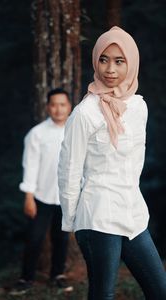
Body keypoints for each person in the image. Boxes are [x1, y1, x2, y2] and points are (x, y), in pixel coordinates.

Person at [58, 26, 166, 300]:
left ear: (131, 63)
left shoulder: (139, 106)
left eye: (119, 61)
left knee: (159, 290)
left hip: (133, 215)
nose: (110, 69)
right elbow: (69, 170)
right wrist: (72, 221)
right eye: (103, 59)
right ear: (95, 61)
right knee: (102, 294)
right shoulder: (84, 113)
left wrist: (134, 200)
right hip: (98, 215)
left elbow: (136, 162)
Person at [10, 88, 72, 296]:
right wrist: (28, 196)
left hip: (66, 196)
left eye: (62, 104)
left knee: (62, 238)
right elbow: (31, 166)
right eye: (54, 104)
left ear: (69, 106)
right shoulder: (37, 134)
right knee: (35, 237)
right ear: (47, 107)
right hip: (41, 197)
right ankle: (26, 278)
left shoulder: (75, 130)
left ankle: (58, 275)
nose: (58, 109)